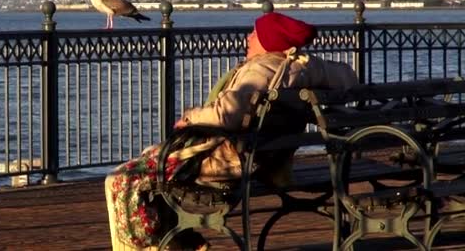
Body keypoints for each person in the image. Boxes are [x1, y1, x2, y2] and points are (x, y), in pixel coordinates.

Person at [104, 12, 358, 250]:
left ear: (269, 42)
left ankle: (146, 246)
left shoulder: (261, 70)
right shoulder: (300, 67)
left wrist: (190, 118)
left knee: (122, 179)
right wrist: (310, 63)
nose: (248, 38)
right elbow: (348, 77)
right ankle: (185, 243)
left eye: (254, 34)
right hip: (265, 158)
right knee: (150, 177)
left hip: (228, 161)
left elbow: (226, 113)